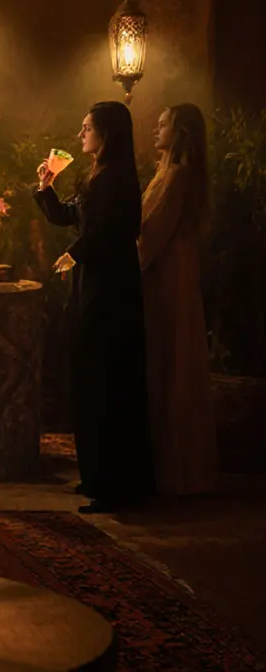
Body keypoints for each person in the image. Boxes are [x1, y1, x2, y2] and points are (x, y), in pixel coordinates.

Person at [34, 101, 154, 513]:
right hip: (94, 282)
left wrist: (74, 254)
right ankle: (97, 476)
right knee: (89, 377)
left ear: (107, 133)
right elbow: (72, 216)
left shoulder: (118, 179)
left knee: (107, 379)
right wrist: (45, 188)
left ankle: (115, 484)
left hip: (111, 288)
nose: (81, 134)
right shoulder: (97, 176)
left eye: (87, 128)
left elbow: (108, 232)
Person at [138, 104, 217, 496]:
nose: (156, 128)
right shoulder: (166, 172)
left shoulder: (178, 177)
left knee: (172, 360)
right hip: (166, 273)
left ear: (181, 131)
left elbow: (152, 231)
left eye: (164, 122)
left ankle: (176, 468)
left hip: (168, 276)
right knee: (166, 360)